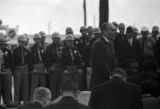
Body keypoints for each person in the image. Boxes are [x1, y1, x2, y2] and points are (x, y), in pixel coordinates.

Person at [90, 22, 117, 89]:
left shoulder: (110, 43)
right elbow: (102, 66)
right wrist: (112, 78)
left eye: (115, 30)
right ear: (105, 31)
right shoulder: (98, 44)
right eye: (112, 30)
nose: (115, 32)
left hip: (107, 82)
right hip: (100, 83)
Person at [29, 33, 48, 101]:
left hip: (42, 67)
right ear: (34, 40)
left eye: (39, 39)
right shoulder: (31, 49)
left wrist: (46, 67)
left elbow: (46, 59)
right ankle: (32, 100)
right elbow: (30, 60)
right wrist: (33, 68)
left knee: (43, 85)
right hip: (35, 67)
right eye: (36, 39)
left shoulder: (42, 48)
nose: (38, 40)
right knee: (34, 85)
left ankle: (43, 100)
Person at [13, 35, 30, 104]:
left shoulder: (27, 50)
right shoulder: (15, 50)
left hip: (25, 69)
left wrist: (28, 67)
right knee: (17, 86)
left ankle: (26, 102)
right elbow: (13, 61)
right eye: (21, 41)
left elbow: (29, 60)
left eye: (23, 41)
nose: (22, 43)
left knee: (25, 87)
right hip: (18, 69)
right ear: (18, 42)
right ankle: (16, 102)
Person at [46, 32, 63, 99]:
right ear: (53, 39)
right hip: (53, 68)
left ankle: (59, 100)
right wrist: (50, 66)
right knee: (53, 85)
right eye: (55, 38)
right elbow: (47, 58)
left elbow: (64, 58)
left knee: (60, 85)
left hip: (60, 68)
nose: (57, 40)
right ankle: (53, 100)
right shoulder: (49, 47)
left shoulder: (62, 47)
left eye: (58, 38)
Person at [0, 36, 12, 105]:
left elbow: (11, 62)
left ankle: (7, 102)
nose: (3, 45)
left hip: (6, 71)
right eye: (1, 43)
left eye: (4, 44)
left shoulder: (8, 51)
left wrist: (9, 70)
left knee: (7, 88)